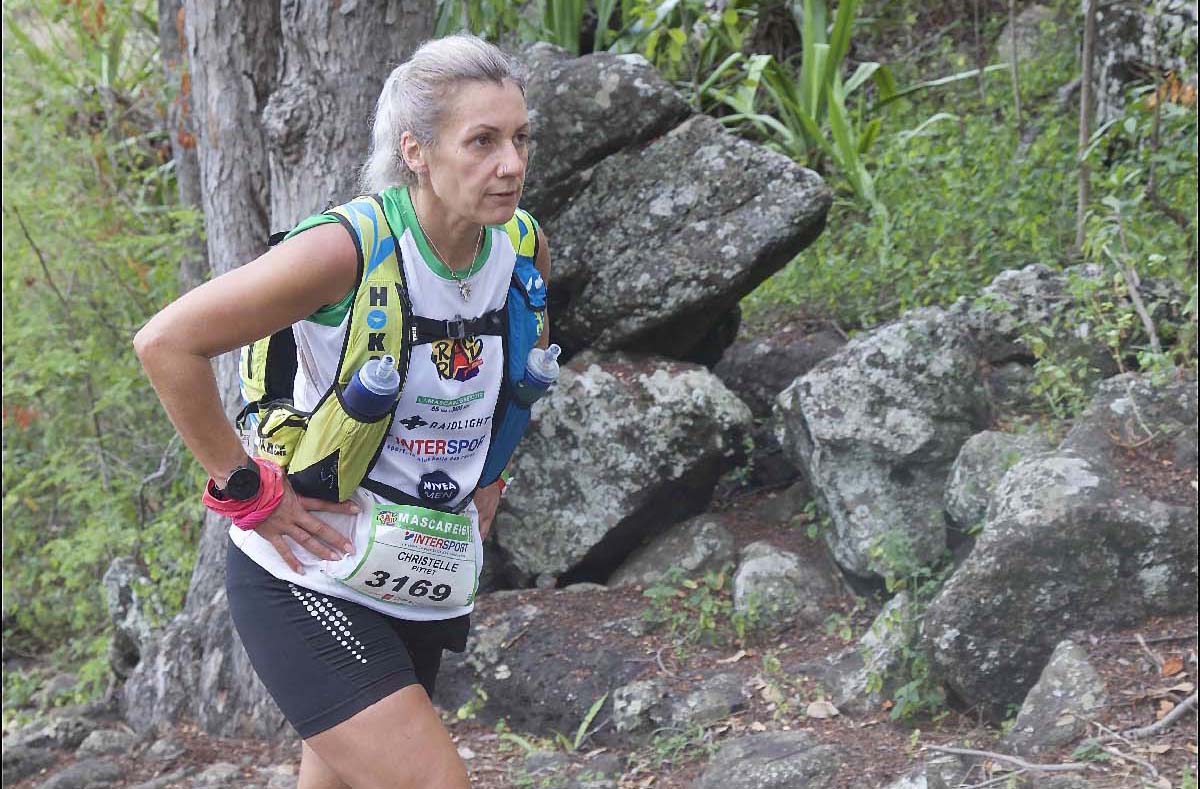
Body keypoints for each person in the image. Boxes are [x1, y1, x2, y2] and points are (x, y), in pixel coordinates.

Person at [135, 33, 548, 789]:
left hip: (417, 568)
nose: (512, 164)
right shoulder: (344, 249)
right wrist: (245, 489)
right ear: (416, 150)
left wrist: (492, 473)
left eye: (520, 138)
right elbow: (167, 344)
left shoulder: (521, 247)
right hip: (307, 575)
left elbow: (519, 357)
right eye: (482, 141)